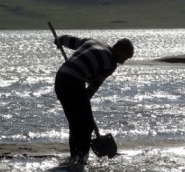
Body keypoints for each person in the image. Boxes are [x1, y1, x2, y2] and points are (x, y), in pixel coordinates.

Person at [54, 35, 134, 164]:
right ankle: (81, 160)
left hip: (61, 78)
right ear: (119, 51)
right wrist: (86, 107)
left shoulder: (93, 42)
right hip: (74, 82)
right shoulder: (111, 63)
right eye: (125, 57)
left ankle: (74, 158)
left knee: (75, 123)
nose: (123, 62)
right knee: (85, 126)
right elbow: (93, 87)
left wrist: (59, 41)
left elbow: (66, 40)